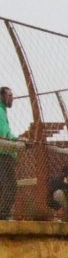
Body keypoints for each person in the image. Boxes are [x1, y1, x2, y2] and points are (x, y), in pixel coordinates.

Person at [0, 86, 15, 219]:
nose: (12, 98)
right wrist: (14, 141)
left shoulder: (3, 112)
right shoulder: (0, 111)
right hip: (3, 153)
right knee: (9, 184)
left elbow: (7, 132)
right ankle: (4, 214)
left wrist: (16, 139)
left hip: (5, 152)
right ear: (1, 96)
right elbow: (3, 132)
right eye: (9, 95)